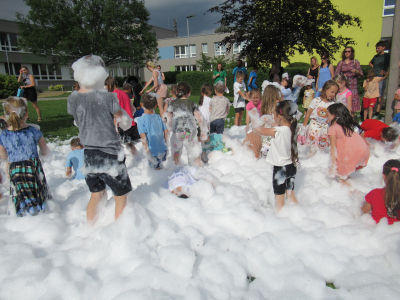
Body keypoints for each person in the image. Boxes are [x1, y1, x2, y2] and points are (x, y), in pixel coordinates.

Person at [67, 55, 133, 222]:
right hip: (109, 152)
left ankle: (91, 229)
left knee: (96, 195)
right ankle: (120, 231)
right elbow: (124, 120)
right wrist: (124, 121)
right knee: (121, 196)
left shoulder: (72, 98)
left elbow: (77, 120)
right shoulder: (107, 97)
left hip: (89, 153)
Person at [0, 97, 50, 216]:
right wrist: (42, 155)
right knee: (37, 194)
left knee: (19, 196)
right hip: (32, 167)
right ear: (26, 114)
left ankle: (21, 216)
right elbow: (45, 151)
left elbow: (3, 156)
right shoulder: (34, 131)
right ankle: (41, 214)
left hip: (15, 169)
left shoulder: (4, 135)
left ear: (6, 115)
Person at [253, 100, 299, 211]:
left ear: (280, 117)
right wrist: (269, 121)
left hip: (280, 170)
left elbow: (259, 130)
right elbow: (280, 127)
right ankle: (298, 213)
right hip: (291, 166)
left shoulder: (278, 131)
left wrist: (254, 118)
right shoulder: (293, 128)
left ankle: (280, 219)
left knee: (279, 203)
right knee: (291, 196)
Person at [327, 103, 369, 184]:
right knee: (346, 174)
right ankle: (355, 187)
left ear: (334, 115)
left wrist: (332, 166)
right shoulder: (347, 125)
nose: (327, 118)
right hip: (363, 150)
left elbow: (333, 148)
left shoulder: (333, 128)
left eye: (328, 115)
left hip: (349, 153)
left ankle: (355, 193)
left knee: (342, 179)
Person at [167, 82, 207, 166]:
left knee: (176, 153)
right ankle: (199, 171)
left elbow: (169, 118)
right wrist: (203, 131)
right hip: (190, 132)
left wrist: (169, 129)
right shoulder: (192, 104)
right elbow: (199, 119)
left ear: (177, 92)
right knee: (194, 154)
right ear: (189, 93)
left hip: (178, 132)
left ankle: (176, 169)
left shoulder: (172, 104)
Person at [301, 80, 338, 158]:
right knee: (313, 147)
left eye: (335, 93)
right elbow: (308, 114)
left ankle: (319, 162)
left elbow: (333, 119)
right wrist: (304, 127)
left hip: (325, 128)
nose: (333, 94)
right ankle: (309, 161)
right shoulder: (316, 101)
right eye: (332, 92)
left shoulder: (332, 104)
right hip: (314, 127)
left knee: (322, 147)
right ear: (325, 89)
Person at [243, 84, 282, 158]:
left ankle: (263, 161)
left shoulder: (265, 105)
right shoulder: (276, 105)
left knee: (265, 149)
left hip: (265, 130)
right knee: (273, 149)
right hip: (273, 129)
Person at [105, 76, 139, 156]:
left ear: (110, 85)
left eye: (106, 85)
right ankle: (137, 158)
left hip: (120, 123)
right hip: (129, 121)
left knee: (121, 144)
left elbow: (113, 111)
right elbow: (133, 109)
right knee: (129, 143)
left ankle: (126, 159)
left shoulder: (113, 95)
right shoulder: (124, 93)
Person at [362, 159, 400, 225]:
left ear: (384, 176)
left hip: (377, 231)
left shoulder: (374, 194)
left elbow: (364, 211)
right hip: (396, 232)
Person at [137, 94, 168, 170]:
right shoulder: (158, 117)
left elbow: (143, 136)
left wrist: (146, 150)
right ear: (156, 105)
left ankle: (158, 180)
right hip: (162, 148)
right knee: (161, 167)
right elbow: (166, 130)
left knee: (154, 169)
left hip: (152, 150)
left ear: (142, 104)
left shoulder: (141, 120)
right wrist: (166, 142)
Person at [334, 47, 363, 114]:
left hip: (352, 84)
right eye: (346, 51)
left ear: (352, 52)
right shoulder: (341, 63)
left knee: (351, 103)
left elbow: (361, 73)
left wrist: (356, 71)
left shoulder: (355, 62)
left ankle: (351, 119)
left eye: (349, 51)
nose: (347, 53)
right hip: (343, 85)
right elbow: (336, 74)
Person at [369, 41, 390, 117]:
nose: (377, 50)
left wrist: (387, 73)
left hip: (381, 78)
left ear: (383, 47)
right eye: (376, 48)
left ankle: (377, 112)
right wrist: (375, 69)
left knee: (380, 95)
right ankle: (372, 111)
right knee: (373, 94)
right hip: (374, 77)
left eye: (378, 48)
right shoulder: (375, 57)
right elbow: (370, 63)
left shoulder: (387, 56)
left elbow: (393, 64)